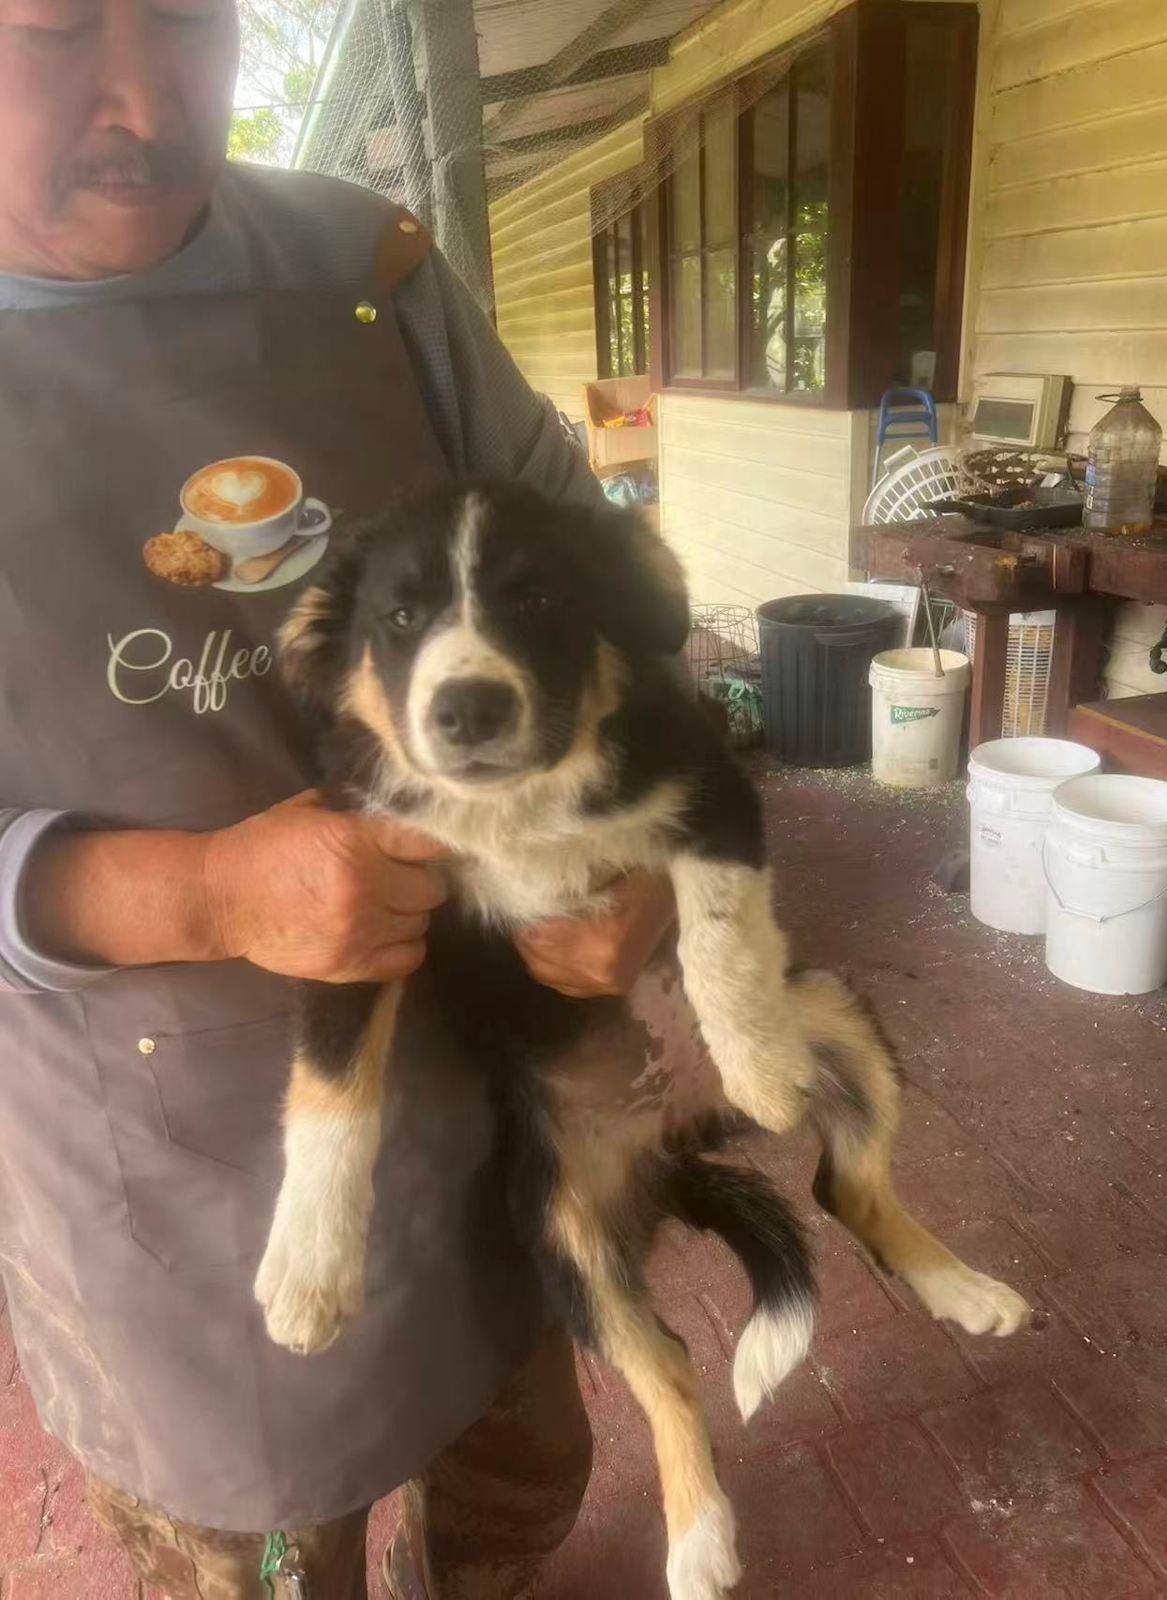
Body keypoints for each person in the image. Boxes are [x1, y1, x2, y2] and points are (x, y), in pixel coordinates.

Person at [0, 3, 678, 1594]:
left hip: (473, 1068)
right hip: (160, 1144)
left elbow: (614, 593)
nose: (146, 103)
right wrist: (206, 893)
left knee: (514, 1474)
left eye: (187, 20)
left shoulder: (363, 274)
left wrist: (627, 840)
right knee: (233, 1550)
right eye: (56, 32)